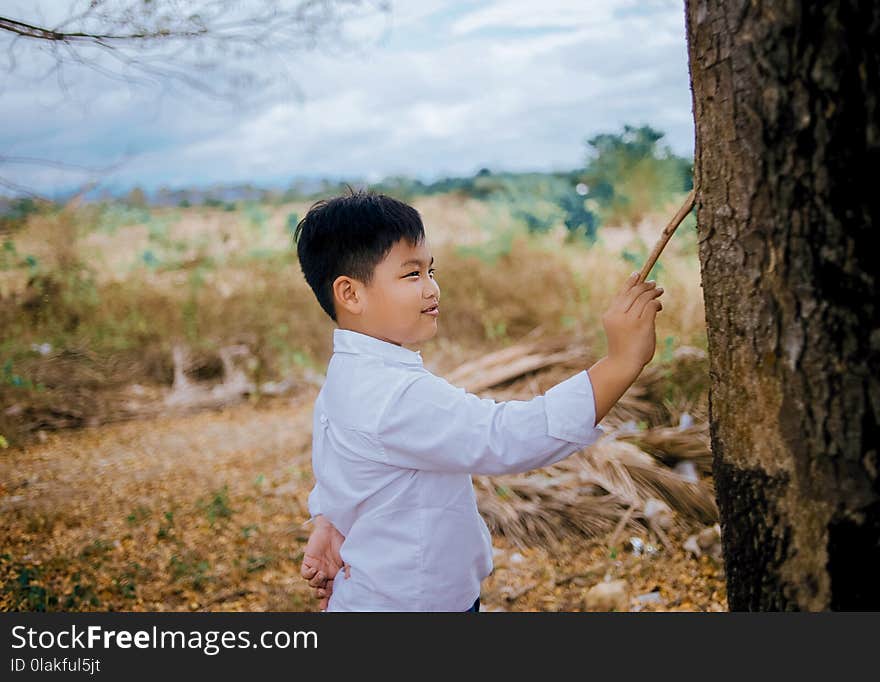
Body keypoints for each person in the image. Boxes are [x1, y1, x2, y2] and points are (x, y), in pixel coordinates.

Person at [294, 189, 663, 611]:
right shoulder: (395, 395)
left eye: (431, 270)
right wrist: (620, 363)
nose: (432, 288)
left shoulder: (349, 374)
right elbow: (504, 436)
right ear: (351, 294)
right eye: (411, 275)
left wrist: (328, 521)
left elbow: (338, 464)